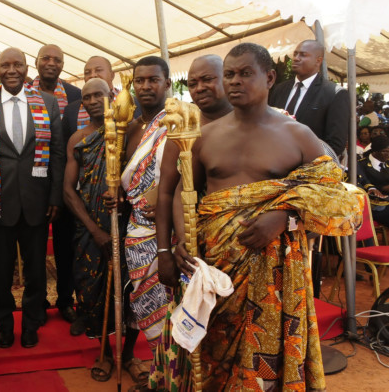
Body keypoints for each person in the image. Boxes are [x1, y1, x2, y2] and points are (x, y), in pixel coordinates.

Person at [153, 43, 362, 390]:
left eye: (245, 73)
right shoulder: (204, 137)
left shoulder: (297, 135)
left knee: (265, 363)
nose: (235, 81)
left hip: (274, 274)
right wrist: (180, 243)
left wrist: (284, 217)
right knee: (210, 355)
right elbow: (180, 193)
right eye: (230, 74)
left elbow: (338, 197)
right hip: (212, 269)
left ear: (269, 78)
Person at [0, 47, 65, 349]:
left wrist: (55, 196)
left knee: (36, 272)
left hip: (37, 203)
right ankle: (5, 326)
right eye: (5, 65)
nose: (11, 70)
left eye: (17, 64)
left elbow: (58, 153)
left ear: (26, 69)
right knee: (1, 272)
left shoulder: (47, 103)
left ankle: (32, 323)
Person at [63, 78, 140, 382]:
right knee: (91, 289)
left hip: (129, 222)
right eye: (87, 97)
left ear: (112, 96)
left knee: (132, 289)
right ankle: (105, 353)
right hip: (91, 226)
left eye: (100, 94)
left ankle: (131, 353)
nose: (94, 100)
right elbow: (69, 191)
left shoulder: (130, 132)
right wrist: (94, 230)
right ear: (82, 104)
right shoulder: (78, 138)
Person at [156, 54, 233, 289]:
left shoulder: (253, 124)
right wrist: (171, 247)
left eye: (207, 79)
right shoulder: (182, 131)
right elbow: (168, 193)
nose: (199, 88)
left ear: (227, 79)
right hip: (195, 247)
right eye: (192, 83)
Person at [118, 56, 171, 375]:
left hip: (170, 228)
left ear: (167, 83)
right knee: (140, 295)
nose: (146, 86)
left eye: (153, 80)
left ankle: (172, 368)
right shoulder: (130, 127)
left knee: (171, 300)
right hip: (136, 228)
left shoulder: (177, 122)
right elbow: (125, 175)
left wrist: (165, 202)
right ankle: (155, 364)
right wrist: (117, 195)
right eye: (140, 81)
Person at [29, 44, 81, 323]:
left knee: (64, 244)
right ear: (35, 63)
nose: (51, 63)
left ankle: (65, 300)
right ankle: (36, 302)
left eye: (57, 59)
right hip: (32, 181)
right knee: (34, 246)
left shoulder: (76, 95)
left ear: (63, 64)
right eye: (45, 58)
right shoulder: (23, 92)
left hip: (67, 178)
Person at [268, 39, 349, 156]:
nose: (296, 58)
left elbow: (335, 144)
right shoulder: (280, 89)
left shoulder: (333, 93)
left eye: (303, 55)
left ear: (318, 61)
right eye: (295, 54)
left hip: (309, 167)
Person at [357, 134, 389, 227]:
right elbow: (361, 184)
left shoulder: (387, 164)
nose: (388, 154)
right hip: (374, 206)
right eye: (385, 151)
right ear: (375, 151)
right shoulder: (361, 165)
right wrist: (382, 188)